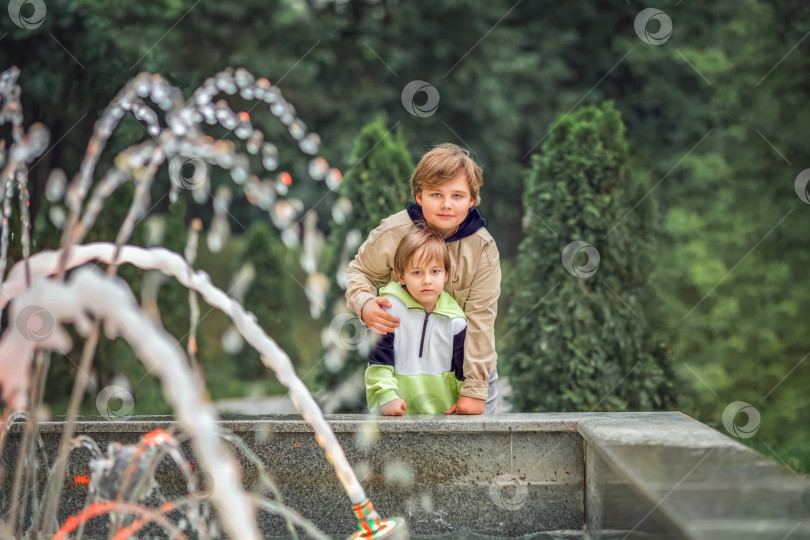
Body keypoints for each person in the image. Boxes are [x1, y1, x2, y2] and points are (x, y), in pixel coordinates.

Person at [345, 143, 500, 414]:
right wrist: (365, 303)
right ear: (419, 195)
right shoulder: (393, 233)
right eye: (436, 194)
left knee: (478, 449)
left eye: (457, 195)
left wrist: (474, 390)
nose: (446, 204)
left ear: (472, 200)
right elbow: (360, 271)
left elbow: (480, 321)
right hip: (405, 367)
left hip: (465, 367)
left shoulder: (483, 249)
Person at [365, 225, 466, 415]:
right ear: (402, 276)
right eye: (417, 272)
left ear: (446, 274)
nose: (427, 280)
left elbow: (463, 370)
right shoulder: (389, 309)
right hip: (395, 413)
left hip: (443, 416)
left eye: (435, 271)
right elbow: (378, 360)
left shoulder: (457, 321)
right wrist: (386, 396)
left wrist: (463, 399)